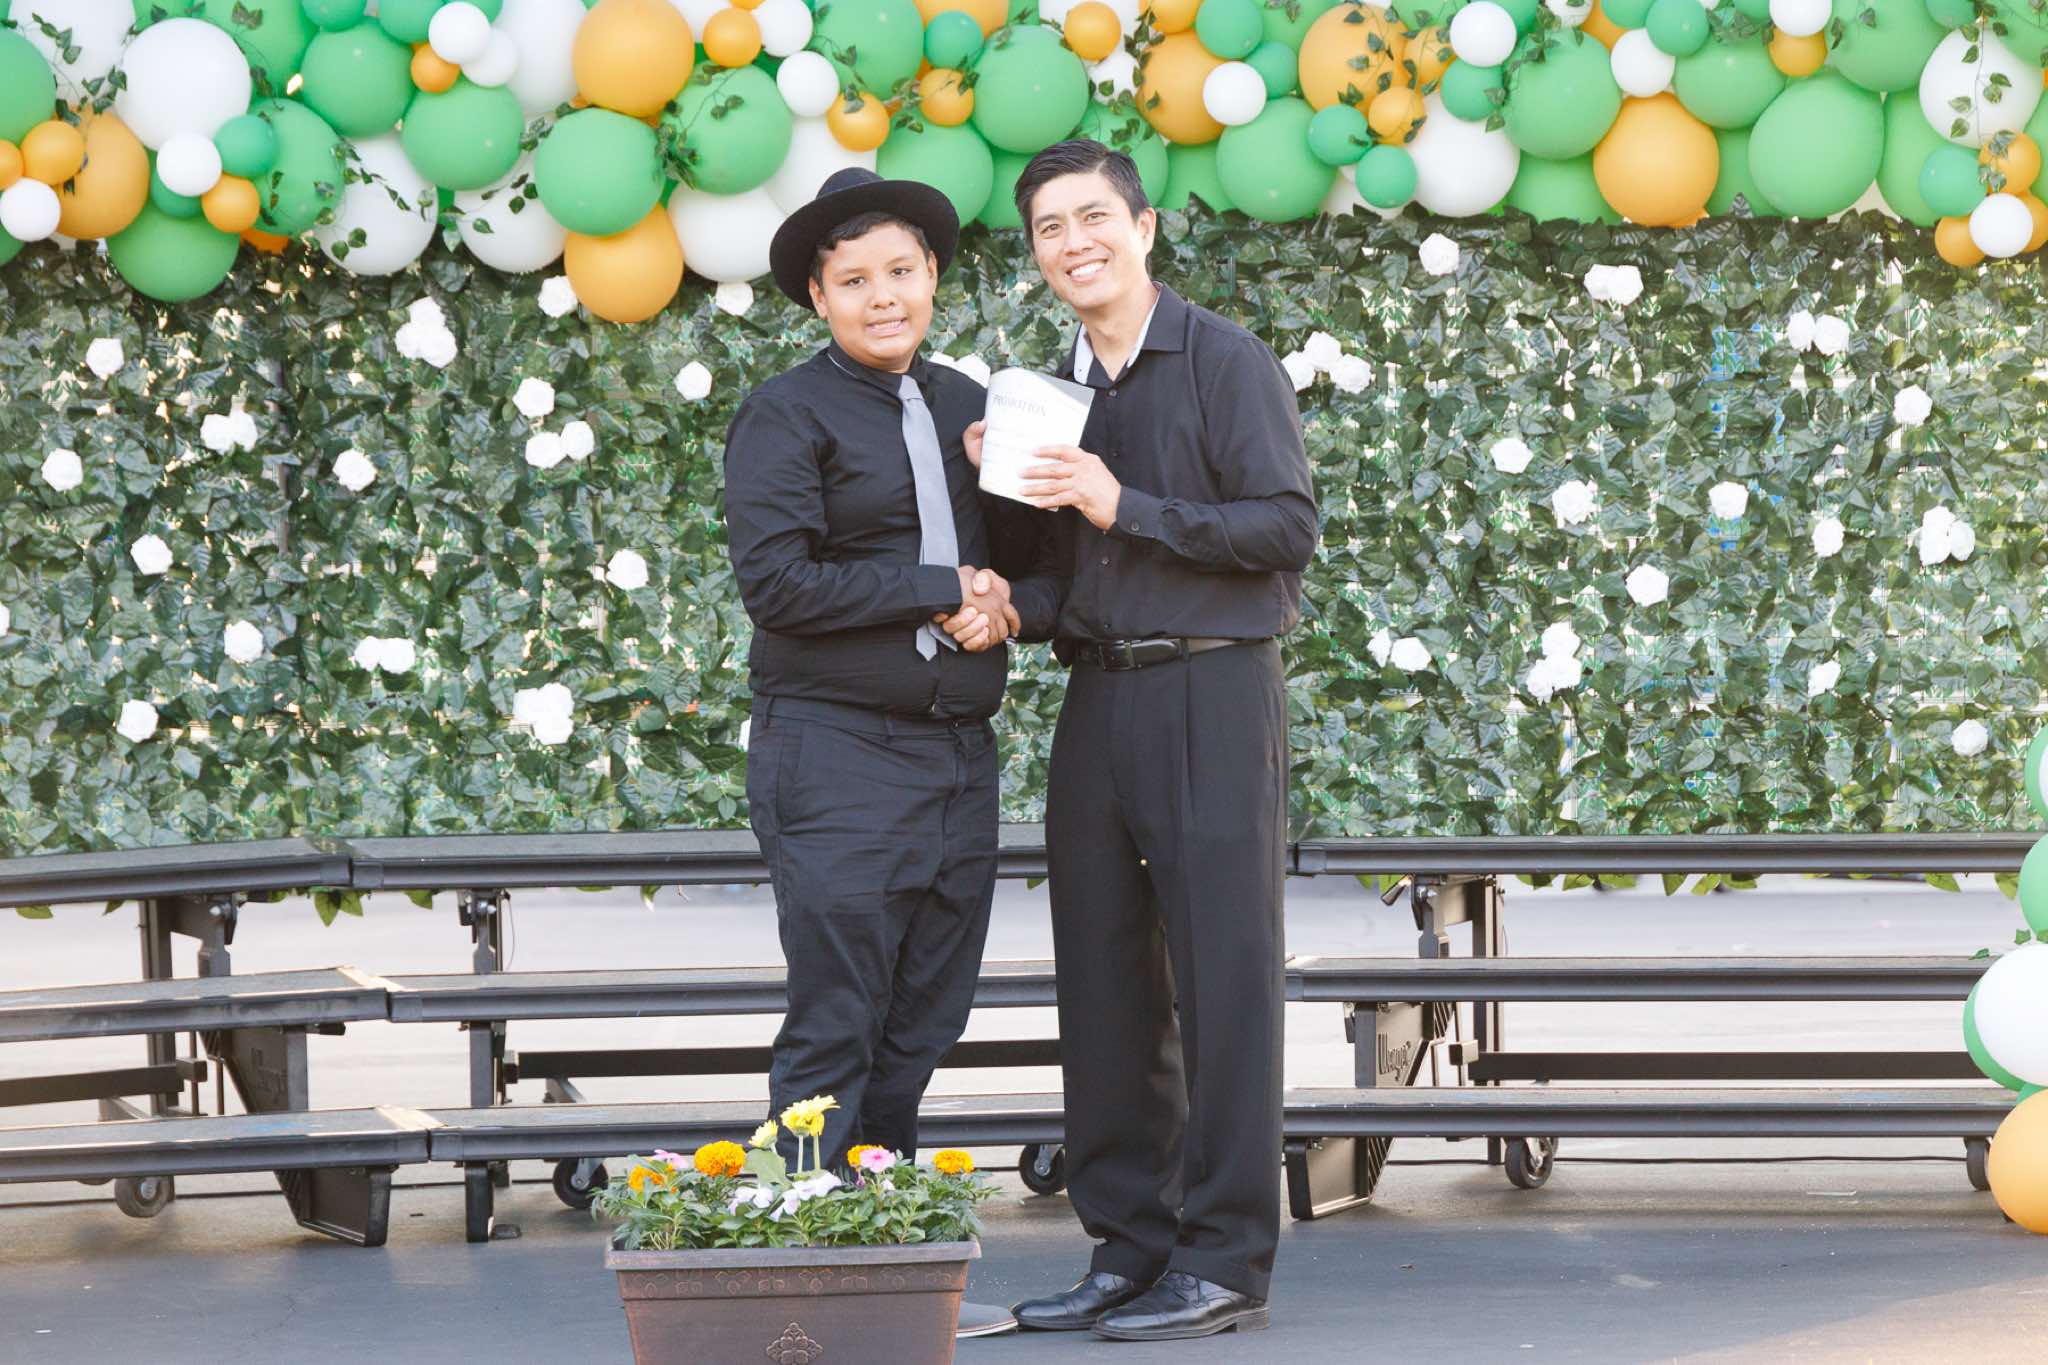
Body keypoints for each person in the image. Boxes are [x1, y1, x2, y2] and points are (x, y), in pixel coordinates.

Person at [986, 140, 1318, 1342]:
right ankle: (1128, 1248)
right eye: (1047, 228)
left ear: (1143, 228)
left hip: (1214, 690)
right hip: (1098, 699)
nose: (1072, 242)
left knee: (1224, 980)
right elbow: (1058, 579)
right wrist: (999, 561)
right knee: (1102, 980)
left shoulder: (1225, 360)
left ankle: (1221, 1257)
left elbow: (1283, 528)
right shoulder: (1051, 396)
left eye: (1092, 218)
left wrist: (1123, 504)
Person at [722, 167, 1057, 1340]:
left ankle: (881, 1272)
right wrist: (935, 586)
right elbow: (777, 584)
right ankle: (796, 1287)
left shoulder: (972, 405)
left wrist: (1000, 602)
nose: (882, 297)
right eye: (854, 279)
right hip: (835, 754)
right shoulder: (784, 414)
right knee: (837, 1022)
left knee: (920, 1022)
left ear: (931, 279)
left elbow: (1025, 566)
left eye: (900, 272)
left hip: (958, 756)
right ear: (818, 298)